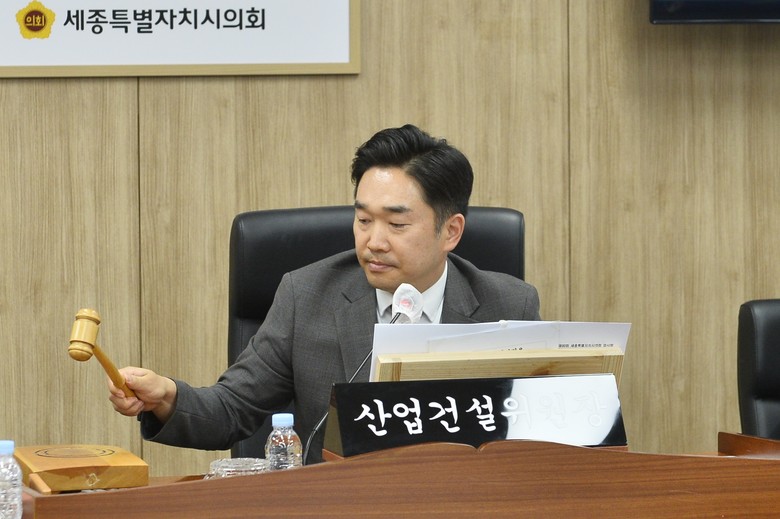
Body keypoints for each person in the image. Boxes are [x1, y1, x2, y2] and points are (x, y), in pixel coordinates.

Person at [108, 124, 541, 464]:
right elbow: (232, 408)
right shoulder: (308, 296)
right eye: (364, 220)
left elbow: (540, 436)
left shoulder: (508, 305)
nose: (374, 242)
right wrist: (167, 396)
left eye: (396, 224)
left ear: (451, 231)